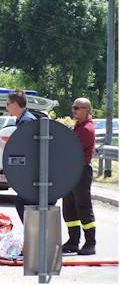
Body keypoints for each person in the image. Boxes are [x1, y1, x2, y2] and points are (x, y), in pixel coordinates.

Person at [62, 98, 96, 255]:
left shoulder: (87, 129)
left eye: (77, 108)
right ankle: (73, 241)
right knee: (69, 209)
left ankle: (90, 243)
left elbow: (71, 148)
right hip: (71, 171)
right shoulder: (78, 126)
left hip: (81, 172)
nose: (74, 110)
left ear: (86, 110)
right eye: (73, 107)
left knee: (83, 207)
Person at [6, 90, 37, 223]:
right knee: (23, 202)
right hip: (29, 171)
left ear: (15, 104)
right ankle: (33, 236)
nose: (6, 107)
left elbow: (26, 149)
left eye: (8, 104)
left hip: (32, 172)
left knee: (23, 202)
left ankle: (34, 235)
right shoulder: (22, 120)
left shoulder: (26, 121)